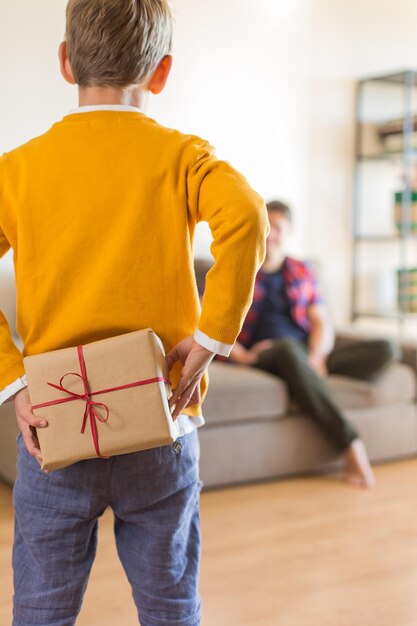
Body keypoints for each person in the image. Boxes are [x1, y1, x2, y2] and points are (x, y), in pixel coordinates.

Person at [0, 2, 270, 624]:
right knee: (172, 604)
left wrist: (14, 377)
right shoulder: (182, 157)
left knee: (41, 609)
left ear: (66, 64)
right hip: (161, 422)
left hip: (56, 429)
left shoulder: (18, 170)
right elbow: (248, 217)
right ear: (161, 72)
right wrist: (210, 337)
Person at [199, 200, 402, 489]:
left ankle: (307, 375)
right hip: (265, 354)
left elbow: (321, 322)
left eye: (278, 228)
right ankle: (351, 445)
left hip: (304, 352)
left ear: (289, 231)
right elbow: (209, 321)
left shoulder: (301, 270)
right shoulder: (235, 266)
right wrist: (241, 356)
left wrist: (318, 356)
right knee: (285, 349)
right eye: (267, 228)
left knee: (387, 349)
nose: (271, 235)